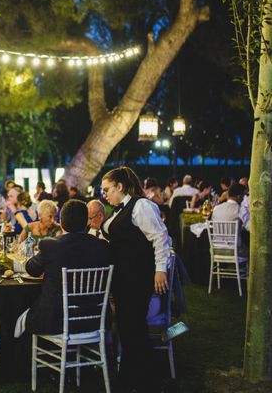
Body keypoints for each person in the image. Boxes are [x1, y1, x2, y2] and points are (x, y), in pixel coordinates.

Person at [101, 166, 172, 393]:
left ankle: (149, 382)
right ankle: (130, 379)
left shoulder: (141, 206)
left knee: (135, 329)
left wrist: (160, 269)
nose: (105, 194)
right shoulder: (119, 210)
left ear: (120, 186)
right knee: (127, 329)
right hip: (122, 278)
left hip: (137, 276)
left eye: (107, 189)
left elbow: (160, 238)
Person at [15, 200, 111, 337]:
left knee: (20, 318)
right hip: (95, 321)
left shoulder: (51, 245)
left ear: (61, 221)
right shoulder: (102, 246)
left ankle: (21, 357)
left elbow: (31, 269)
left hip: (56, 322)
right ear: (86, 222)